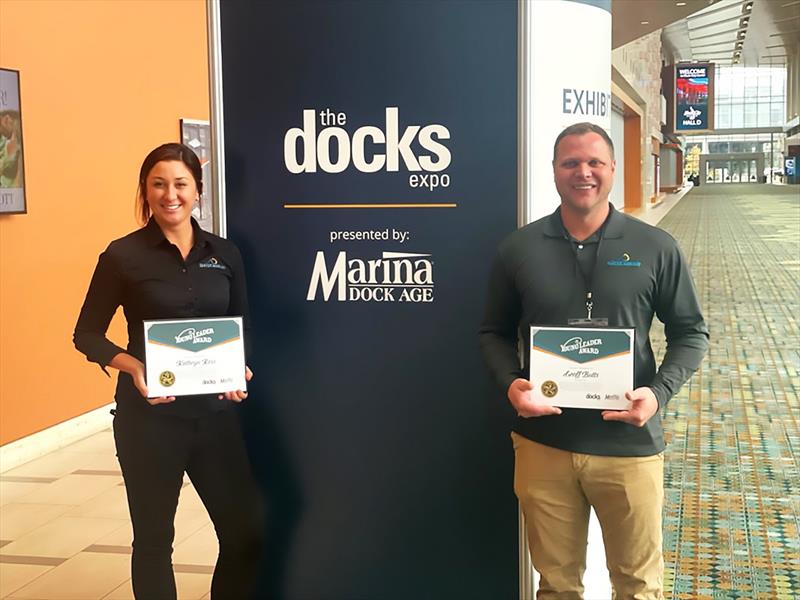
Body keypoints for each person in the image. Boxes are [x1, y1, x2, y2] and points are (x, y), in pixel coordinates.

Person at [479, 122, 708, 599]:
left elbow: (690, 333)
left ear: (612, 169)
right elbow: (494, 332)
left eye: (594, 162)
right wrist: (511, 384)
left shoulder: (655, 247)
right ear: (554, 171)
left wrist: (658, 395)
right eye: (571, 163)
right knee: (556, 587)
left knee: (638, 586)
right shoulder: (518, 248)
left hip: (629, 444)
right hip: (544, 444)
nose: (583, 172)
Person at [74, 143, 264, 599]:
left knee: (245, 535)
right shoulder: (122, 256)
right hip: (149, 420)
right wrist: (134, 367)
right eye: (158, 184)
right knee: (154, 543)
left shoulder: (225, 253)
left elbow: (241, 325)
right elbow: (87, 335)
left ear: (198, 190)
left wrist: (237, 370)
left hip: (215, 417)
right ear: (146, 190)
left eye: (180, 184)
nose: (170, 194)